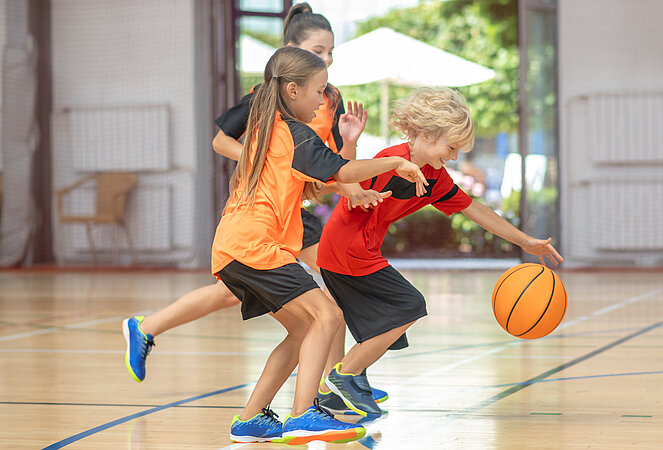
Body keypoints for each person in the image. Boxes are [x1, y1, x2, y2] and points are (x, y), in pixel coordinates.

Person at [122, 2, 391, 405]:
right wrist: (266, 160)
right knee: (330, 295)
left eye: (331, 52)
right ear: (292, 58)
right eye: (318, 51)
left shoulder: (329, 97)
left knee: (236, 292)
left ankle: (147, 327)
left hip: (297, 205)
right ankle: (334, 384)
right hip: (265, 210)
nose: (327, 59)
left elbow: (333, 165)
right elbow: (221, 142)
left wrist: (350, 153)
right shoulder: (266, 99)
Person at [211, 47, 426, 443]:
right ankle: (303, 413)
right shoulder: (294, 133)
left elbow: (329, 177)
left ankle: (251, 418)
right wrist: (394, 163)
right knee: (328, 313)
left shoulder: (267, 128)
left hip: (235, 247)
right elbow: (342, 169)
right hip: (255, 245)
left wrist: (354, 185)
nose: (323, 101)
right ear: (293, 90)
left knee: (302, 331)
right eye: (319, 92)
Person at [315, 87, 564, 417]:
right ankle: (344, 376)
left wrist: (524, 241)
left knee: (366, 316)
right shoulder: (391, 159)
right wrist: (350, 144)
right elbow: (348, 181)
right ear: (427, 134)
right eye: (452, 147)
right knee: (409, 305)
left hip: (358, 251)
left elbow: (474, 208)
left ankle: (336, 388)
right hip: (347, 250)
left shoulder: (434, 177)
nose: (454, 157)